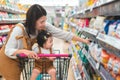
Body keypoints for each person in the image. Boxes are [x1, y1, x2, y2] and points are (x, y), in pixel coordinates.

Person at [0, 4, 90, 80]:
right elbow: (8, 50)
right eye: (41, 21)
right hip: (9, 60)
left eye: (45, 20)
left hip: (21, 59)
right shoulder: (18, 30)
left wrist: (83, 40)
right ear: (32, 21)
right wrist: (26, 51)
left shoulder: (43, 26)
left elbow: (63, 34)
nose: (44, 24)